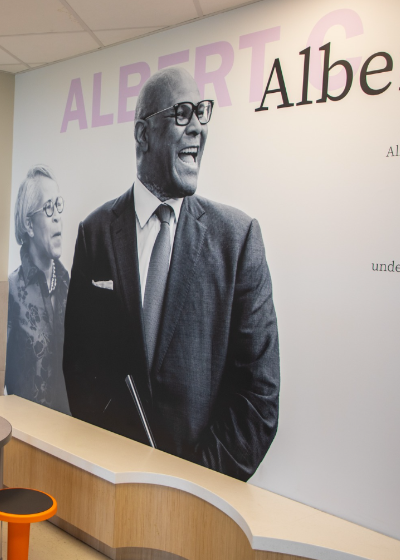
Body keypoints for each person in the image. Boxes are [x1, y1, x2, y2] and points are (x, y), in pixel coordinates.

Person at [62, 68, 280, 481]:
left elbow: (258, 396)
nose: (197, 126)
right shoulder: (95, 233)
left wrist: (196, 484)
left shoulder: (237, 239)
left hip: (202, 497)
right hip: (113, 480)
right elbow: (79, 367)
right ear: (143, 134)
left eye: (201, 112)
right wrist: (113, 458)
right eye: (182, 113)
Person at [5, 165, 71, 414]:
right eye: (48, 208)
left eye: (58, 206)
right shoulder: (11, 291)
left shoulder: (70, 286)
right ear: (29, 225)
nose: (57, 217)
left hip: (68, 435)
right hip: (26, 438)